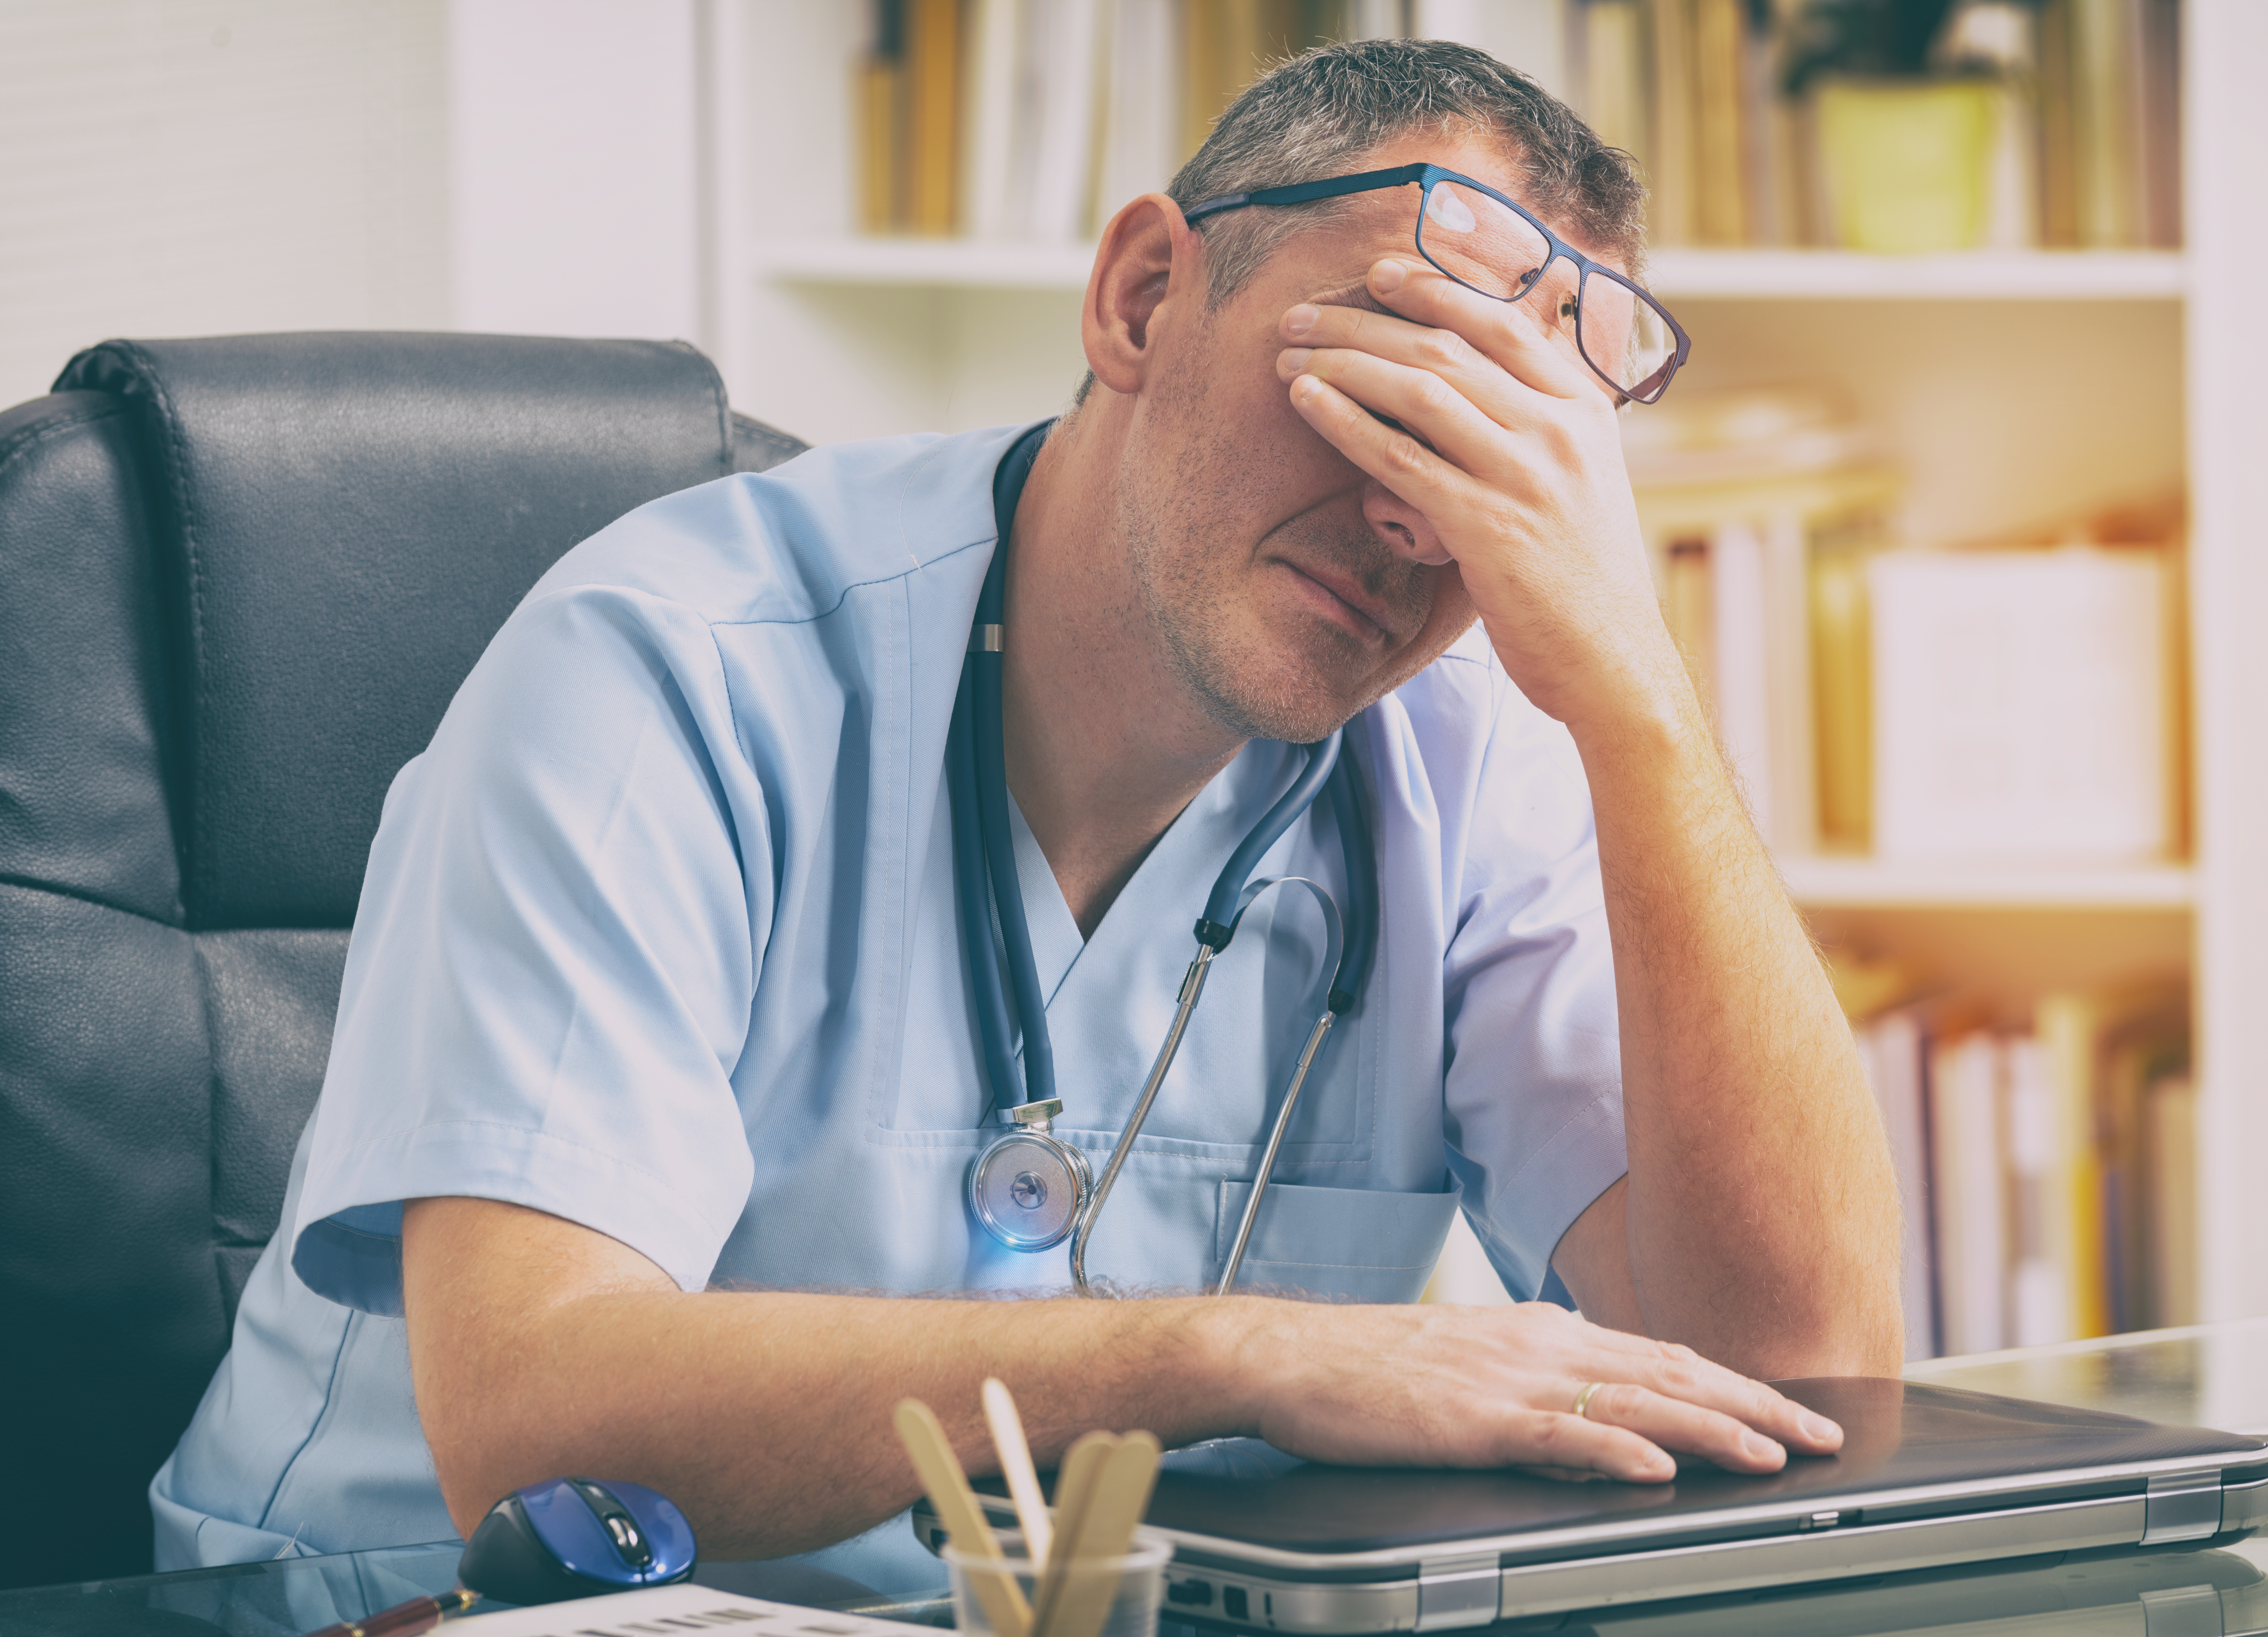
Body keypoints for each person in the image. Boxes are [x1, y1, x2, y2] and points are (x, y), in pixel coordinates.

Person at [151, 38, 1903, 1587]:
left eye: (1514, 463)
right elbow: (533, 1427)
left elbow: (1799, 1375)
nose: (1422, 524)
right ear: (1145, 296)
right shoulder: (669, 665)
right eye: (1395, 388)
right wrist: (1230, 1354)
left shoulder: (1470, 751)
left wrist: (1642, 703)